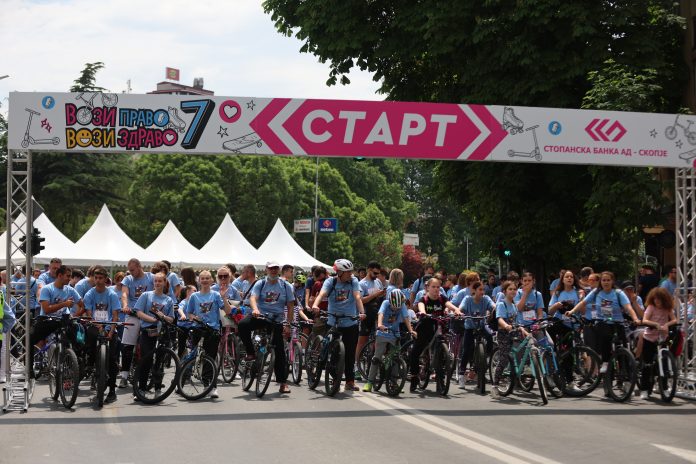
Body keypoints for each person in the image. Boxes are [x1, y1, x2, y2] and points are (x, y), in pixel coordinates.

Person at [238, 262, 294, 394]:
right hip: (261, 316)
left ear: (279, 270)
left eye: (275, 268)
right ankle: (251, 352)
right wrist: (255, 309)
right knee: (242, 325)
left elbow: (290, 305)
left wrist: (288, 324)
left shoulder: (285, 285)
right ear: (266, 270)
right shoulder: (261, 283)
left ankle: (283, 383)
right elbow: (253, 298)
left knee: (279, 351)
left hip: (276, 320)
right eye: (271, 268)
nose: (273, 271)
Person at [311, 259, 366, 392]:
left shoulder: (353, 281)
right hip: (333, 321)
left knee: (350, 353)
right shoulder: (331, 282)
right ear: (339, 272)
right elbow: (322, 294)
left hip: (350, 321)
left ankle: (349, 381)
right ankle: (327, 372)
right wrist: (315, 305)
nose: (350, 274)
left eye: (351, 271)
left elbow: (357, 297)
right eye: (347, 272)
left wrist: (362, 312)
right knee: (332, 352)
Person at [567, 271, 641, 369]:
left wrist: (635, 319)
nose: (606, 282)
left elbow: (628, 307)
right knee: (605, 337)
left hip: (618, 322)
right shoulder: (596, 292)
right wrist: (572, 311)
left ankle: (626, 370)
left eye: (608, 280)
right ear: (600, 282)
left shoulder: (618, 293)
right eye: (604, 280)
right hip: (602, 321)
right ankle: (605, 362)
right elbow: (583, 303)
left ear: (612, 281)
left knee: (623, 344)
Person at [408, 276, 460, 392]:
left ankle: (440, 380)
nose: (436, 289)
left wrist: (456, 310)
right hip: (425, 328)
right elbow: (421, 306)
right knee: (415, 352)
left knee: (442, 353)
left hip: (439, 327)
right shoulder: (424, 299)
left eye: (438, 287)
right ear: (428, 288)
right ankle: (414, 377)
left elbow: (449, 304)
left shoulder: (442, 299)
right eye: (433, 287)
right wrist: (423, 312)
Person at [185, 270, 231, 398]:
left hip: (213, 330)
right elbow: (189, 313)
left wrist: (224, 298)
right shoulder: (194, 296)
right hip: (198, 329)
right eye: (202, 278)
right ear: (199, 280)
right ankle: (181, 380)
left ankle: (210, 386)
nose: (205, 280)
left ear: (211, 280)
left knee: (210, 359)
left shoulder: (216, 295)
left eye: (207, 278)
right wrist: (194, 318)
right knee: (193, 356)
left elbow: (227, 311)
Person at [30, 265, 81, 377]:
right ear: (60, 275)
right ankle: (29, 370)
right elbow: (46, 309)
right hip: (47, 320)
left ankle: (74, 367)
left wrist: (75, 315)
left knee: (78, 341)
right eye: (68, 276)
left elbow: (83, 305)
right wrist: (64, 304)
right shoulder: (47, 289)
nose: (69, 279)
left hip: (64, 320)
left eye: (70, 276)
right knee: (30, 340)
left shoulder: (70, 290)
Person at [133, 272, 176, 401]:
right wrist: (152, 319)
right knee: (146, 360)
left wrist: (163, 317)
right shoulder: (146, 295)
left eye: (160, 281)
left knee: (159, 362)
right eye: (155, 281)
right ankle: (141, 388)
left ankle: (158, 388)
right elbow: (138, 312)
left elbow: (171, 319)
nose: (157, 283)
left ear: (164, 283)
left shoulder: (168, 300)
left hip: (162, 332)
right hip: (147, 331)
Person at [362, 290, 416, 393]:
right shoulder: (385, 303)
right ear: (390, 301)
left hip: (395, 333)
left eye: (398, 307)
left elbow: (406, 317)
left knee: (395, 358)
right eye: (394, 307)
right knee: (377, 357)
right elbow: (381, 313)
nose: (396, 309)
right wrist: (380, 324)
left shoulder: (402, 305)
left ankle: (394, 383)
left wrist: (411, 330)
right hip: (383, 332)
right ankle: (369, 382)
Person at [83, 266, 121, 403]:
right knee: (90, 337)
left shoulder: (112, 295)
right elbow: (89, 314)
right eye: (96, 278)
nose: (98, 280)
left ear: (105, 279)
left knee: (112, 359)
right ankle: (90, 362)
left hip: (109, 327)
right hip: (95, 326)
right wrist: (99, 327)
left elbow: (115, 315)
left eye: (101, 278)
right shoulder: (89, 294)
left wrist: (110, 331)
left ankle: (112, 390)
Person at [119, 258, 154, 388]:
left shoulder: (151, 278)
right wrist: (125, 305)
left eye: (133, 270)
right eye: (129, 270)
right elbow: (124, 293)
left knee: (150, 347)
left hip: (148, 315)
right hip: (133, 313)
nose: (131, 273)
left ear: (139, 266)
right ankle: (124, 376)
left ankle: (149, 374)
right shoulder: (128, 279)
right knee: (127, 346)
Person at [491, 281, 528, 399]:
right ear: (504, 291)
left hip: (514, 332)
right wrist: (506, 326)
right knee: (503, 358)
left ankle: (525, 372)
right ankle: (495, 386)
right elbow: (500, 319)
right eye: (510, 289)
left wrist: (523, 330)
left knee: (528, 345)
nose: (513, 291)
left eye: (514, 289)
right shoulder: (502, 304)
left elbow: (516, 322)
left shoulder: (514, 305)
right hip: (504, 334)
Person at [638, 287, 678, 399]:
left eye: (659, 299)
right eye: (655, 299)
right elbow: (645, 320)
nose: (657, 302)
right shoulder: (651, 307)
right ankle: (644, 389)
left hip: (662, 338)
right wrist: (655, 324)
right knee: (647, 364)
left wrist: (667, 325)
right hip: (649, 338)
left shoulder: (667, 308)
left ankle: (664, 388)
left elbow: (674, 319)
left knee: (664, 364)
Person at [457, 281, 495, 388]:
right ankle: (461, 374)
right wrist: (459, 312)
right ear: (474, 290)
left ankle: (485, 359)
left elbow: (493, 305)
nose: (482, 292)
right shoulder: (467, 299)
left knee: (490, 337)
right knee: (466, 350)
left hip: (481, 326)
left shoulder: (486, 299)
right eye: (480, 289)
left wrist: (496, 308)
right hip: (469, 327)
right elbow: (461, 307)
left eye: (483, 290)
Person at [356, 261, 385, 380]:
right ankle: (356, 368)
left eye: (378, 273)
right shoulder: (362, 284)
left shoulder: (378, 282)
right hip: (366, 314)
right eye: (374, 273)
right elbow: (361, 300)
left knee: (376, 342)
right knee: (362, 341)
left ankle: (373, 368)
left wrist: (382, 294)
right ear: (369, 270)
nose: (376, 275)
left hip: (376, 313)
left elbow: (380, 296)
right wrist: (376, 294)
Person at [547, 270, 583, 344]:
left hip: (574, 324)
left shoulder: (579, 292)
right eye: (567, 277)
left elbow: (583, 311)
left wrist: (582, 299)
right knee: (550, 328)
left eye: (571, 277)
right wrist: (556, 306)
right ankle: (554, 349)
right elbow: (550, 311)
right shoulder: (557, 293)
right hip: (560, 322)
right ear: (562, 280)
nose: (569, 278)